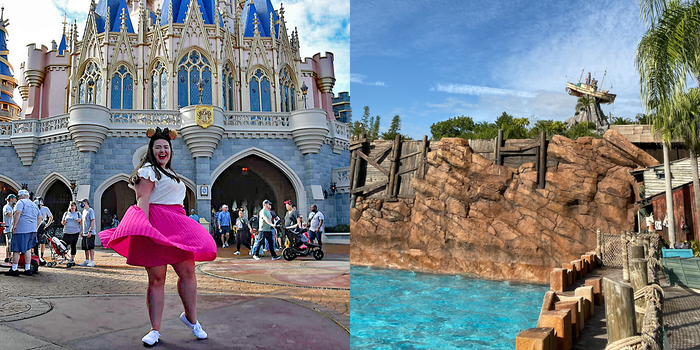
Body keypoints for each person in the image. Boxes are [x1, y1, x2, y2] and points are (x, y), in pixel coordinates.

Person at [98, 127, 216, 346]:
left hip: (177, 224)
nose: (163, 151)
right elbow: (143, 199)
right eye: (158, 147)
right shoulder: (148, 170)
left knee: (188, 272)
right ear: (151, 150)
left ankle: (192, 319)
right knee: (157, 279)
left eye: (166, 147)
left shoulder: (171, 173)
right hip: (156, 225)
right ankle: (155, 329)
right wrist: (142, 225)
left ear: (171, 150)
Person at [5, 190, 41, 276]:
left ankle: (14, 269)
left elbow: (18, 213)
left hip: (21, 229)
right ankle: (27, 269)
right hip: (32, 230)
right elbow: (40, 217)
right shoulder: (34, 204)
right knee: (28, 249)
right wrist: (35, 226)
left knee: (16, 249)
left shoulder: (20, 202)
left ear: (20, 196)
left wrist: (14, 225)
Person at [34, 198, 53, 263]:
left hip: (42, 225)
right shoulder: (34, 208)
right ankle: (34, 255)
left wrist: (47, 224)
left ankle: (41, 255)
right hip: (35, 224)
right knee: (34, 241)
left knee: (42, 241)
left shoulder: (45, 208)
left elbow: (51, 217)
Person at [78, 198, 96, 267]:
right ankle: (87, 260)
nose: (81, 204)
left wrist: (90, 231)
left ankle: (92, 261)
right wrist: (82, 231)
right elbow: (83, 222)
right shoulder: (84, 211)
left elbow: (93, 220)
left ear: (86, 203)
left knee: (90, 247)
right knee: (85, 247)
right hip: (85, 232)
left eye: (82, 202)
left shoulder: (90, 210)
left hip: (90, 232)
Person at [3, 194, 16, 263]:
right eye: (14, 199)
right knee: (9, 243)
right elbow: (9, 214)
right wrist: (15, 210)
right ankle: (8, 257)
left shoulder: (10, 207)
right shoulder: (7, 207)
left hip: (11, 228)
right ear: (11, 199)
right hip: (8, 228)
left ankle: (9, 257)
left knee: (11, 243)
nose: (15, 200)